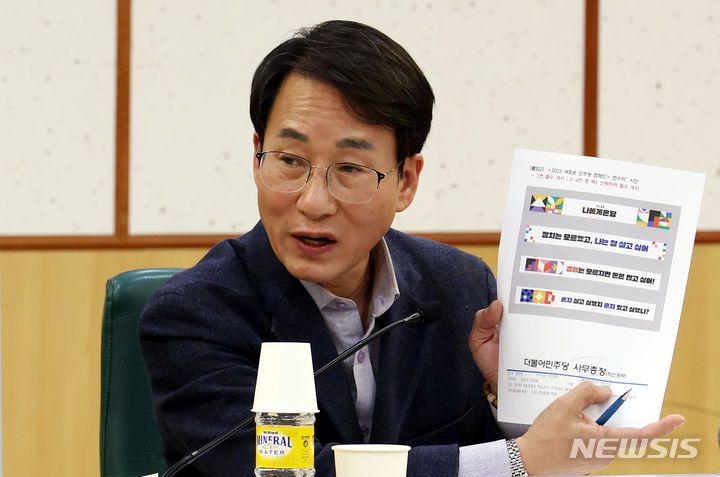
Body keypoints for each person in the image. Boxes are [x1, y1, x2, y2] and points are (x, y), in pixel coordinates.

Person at [139, 20, 684, 476]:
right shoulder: (193, 313)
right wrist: (519, 459)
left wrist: (514, 401)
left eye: (350, 168)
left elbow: (495, 456)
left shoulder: (459, 289)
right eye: (289, 161)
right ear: (257, 155)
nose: (313, 201)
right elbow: (286, 472)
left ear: (406, 181)